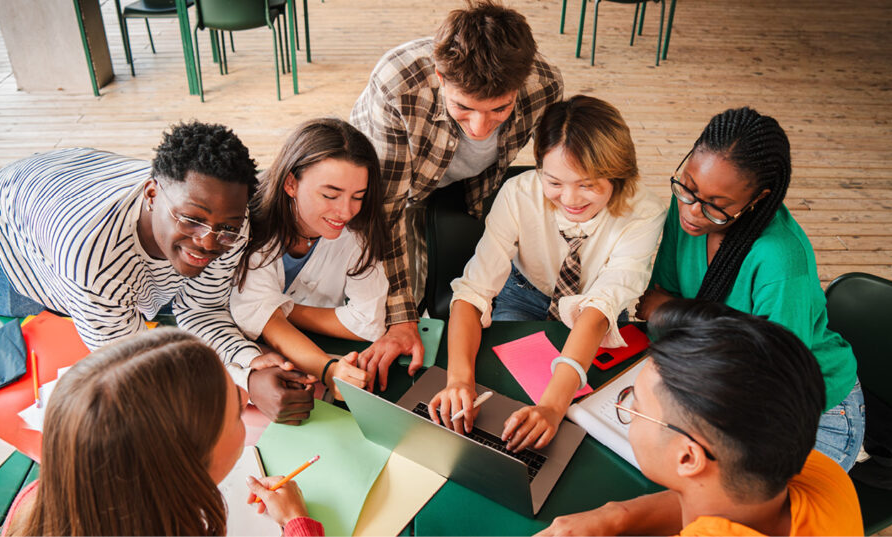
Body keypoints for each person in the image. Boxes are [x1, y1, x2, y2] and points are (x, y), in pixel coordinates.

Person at [0, 122, 315, 424]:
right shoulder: (90, 258)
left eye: (225, 228)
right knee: (18, 356)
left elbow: (202, 310)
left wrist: (251, 363)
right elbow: (136, 361)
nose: (208, 243)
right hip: (15, 215)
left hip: (82, 180)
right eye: (192, 219)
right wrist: (244, 383)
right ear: (152, 195)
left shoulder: (230, 227)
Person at [429, 96, 665, 451]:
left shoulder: (644, 211)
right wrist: (459, 380)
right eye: (553, 181)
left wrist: (554, 406)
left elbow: (600, 307)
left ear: (618, 173)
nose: (569, 198)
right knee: (500, 394)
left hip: (597, 314)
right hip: (522, 295)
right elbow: (474, 290)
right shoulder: (517, 194)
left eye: (587, 184)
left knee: (586, 411)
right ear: (539, 168)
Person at [634, 107, 864, 470]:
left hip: (808, 412)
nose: (693, 211)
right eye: (688, 187)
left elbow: (773, 377)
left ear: (757, 199)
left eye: (716, 206)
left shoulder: (781, 259)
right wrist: (683, 319)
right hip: (718, 382)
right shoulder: (688, 213)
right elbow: (656, 302)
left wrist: (673, 314)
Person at [350, 0, 564, 388]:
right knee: (393, 305)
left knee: (468, 288)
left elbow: (550, 174)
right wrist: (401, 319)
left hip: (476, 185)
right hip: (398, 187)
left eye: (499, 109)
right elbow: (386, 211)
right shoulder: (397, 84)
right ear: (440, 77)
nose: (481, 127)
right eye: (463, 107)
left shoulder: (546, 84)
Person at [538, 299, 863, 536]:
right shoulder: (824, 477)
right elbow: (719, 502)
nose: (628, 411)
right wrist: (617, 516)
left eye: (634, 407)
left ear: (688, 456)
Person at [2, 328, 324, 536]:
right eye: (236, 416)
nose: (245, 397)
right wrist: (297, 523)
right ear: (184, 470)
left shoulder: (43, 498)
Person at [231, 118, 391, 398]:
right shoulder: (249, 223)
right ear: (291, 183)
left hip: (297, 353)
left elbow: (368, 322)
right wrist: (327, 369)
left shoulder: (357, 234)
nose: (345, 212)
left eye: (358, 196)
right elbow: (262, 318)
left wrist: (282, 310)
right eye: (330, 195)